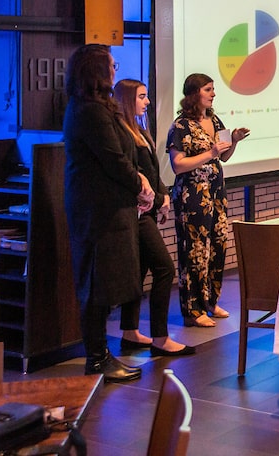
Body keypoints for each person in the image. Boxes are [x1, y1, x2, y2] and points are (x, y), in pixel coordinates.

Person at [62, 44, 150, 382]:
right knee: (96, 287)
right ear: (98, 71)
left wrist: (139, 180)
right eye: (111, 65)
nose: (116, 69)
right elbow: (113, 160)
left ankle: (102, 355)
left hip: (109, 208)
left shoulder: (100, 108)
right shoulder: (88, 111)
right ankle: (97, 359)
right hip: (97, 213)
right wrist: (139, 185)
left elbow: (122, 157)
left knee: (105, 285)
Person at [114, 79, 195, 357]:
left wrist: (162, 198)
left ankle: (130, 331)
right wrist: (156, 199)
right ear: (127, 100)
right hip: (134, 213)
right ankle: (160, 336)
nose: (147, 102)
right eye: (141, 97)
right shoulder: (122, 134)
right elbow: (132, 175)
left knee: (139, 270)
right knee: (164, 269)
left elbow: (152, 171)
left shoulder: (139, 130)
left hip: (146, 209)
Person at [167, 73, 250, 328]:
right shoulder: (181, 125)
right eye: (208, 89)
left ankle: (211, 301)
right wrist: (209, 152)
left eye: (213, 89)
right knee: (194, 251)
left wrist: (233, 142)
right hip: (192, 195)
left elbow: (222, 157)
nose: (213, 93)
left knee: (216, 246)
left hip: (215, 193)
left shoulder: (213, 119)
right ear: (194, 94)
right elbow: (178, 165)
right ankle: (193, 310)